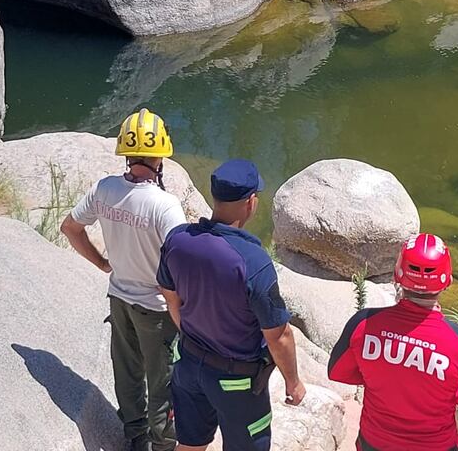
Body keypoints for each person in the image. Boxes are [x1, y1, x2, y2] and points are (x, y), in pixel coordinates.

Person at [156, 159, 305, 451]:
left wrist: (188, 328)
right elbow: (279, 335)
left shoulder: (178, 239)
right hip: (236, 382)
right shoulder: (253, 261)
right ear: (251, 202)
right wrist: (294, 382)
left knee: (189, 443)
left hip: (187, 365)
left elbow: (168, 290)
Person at [60, 109, 187, 451]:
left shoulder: (105, 190)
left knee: (128, 374)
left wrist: (103, 263)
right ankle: (163, 445)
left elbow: (70, 229)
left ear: (126, 152)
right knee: (163, 383)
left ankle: (136, 439)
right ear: (160, 155)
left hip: (119, 299)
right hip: (157, 309)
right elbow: (182, 263)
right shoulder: (166, 205)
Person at [328, 233, 458, 451]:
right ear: (448, 281)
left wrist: (382, 372)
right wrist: (447, 387)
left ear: (397, 277)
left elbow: (337, 372)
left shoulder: (363, 324)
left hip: (374, 444)